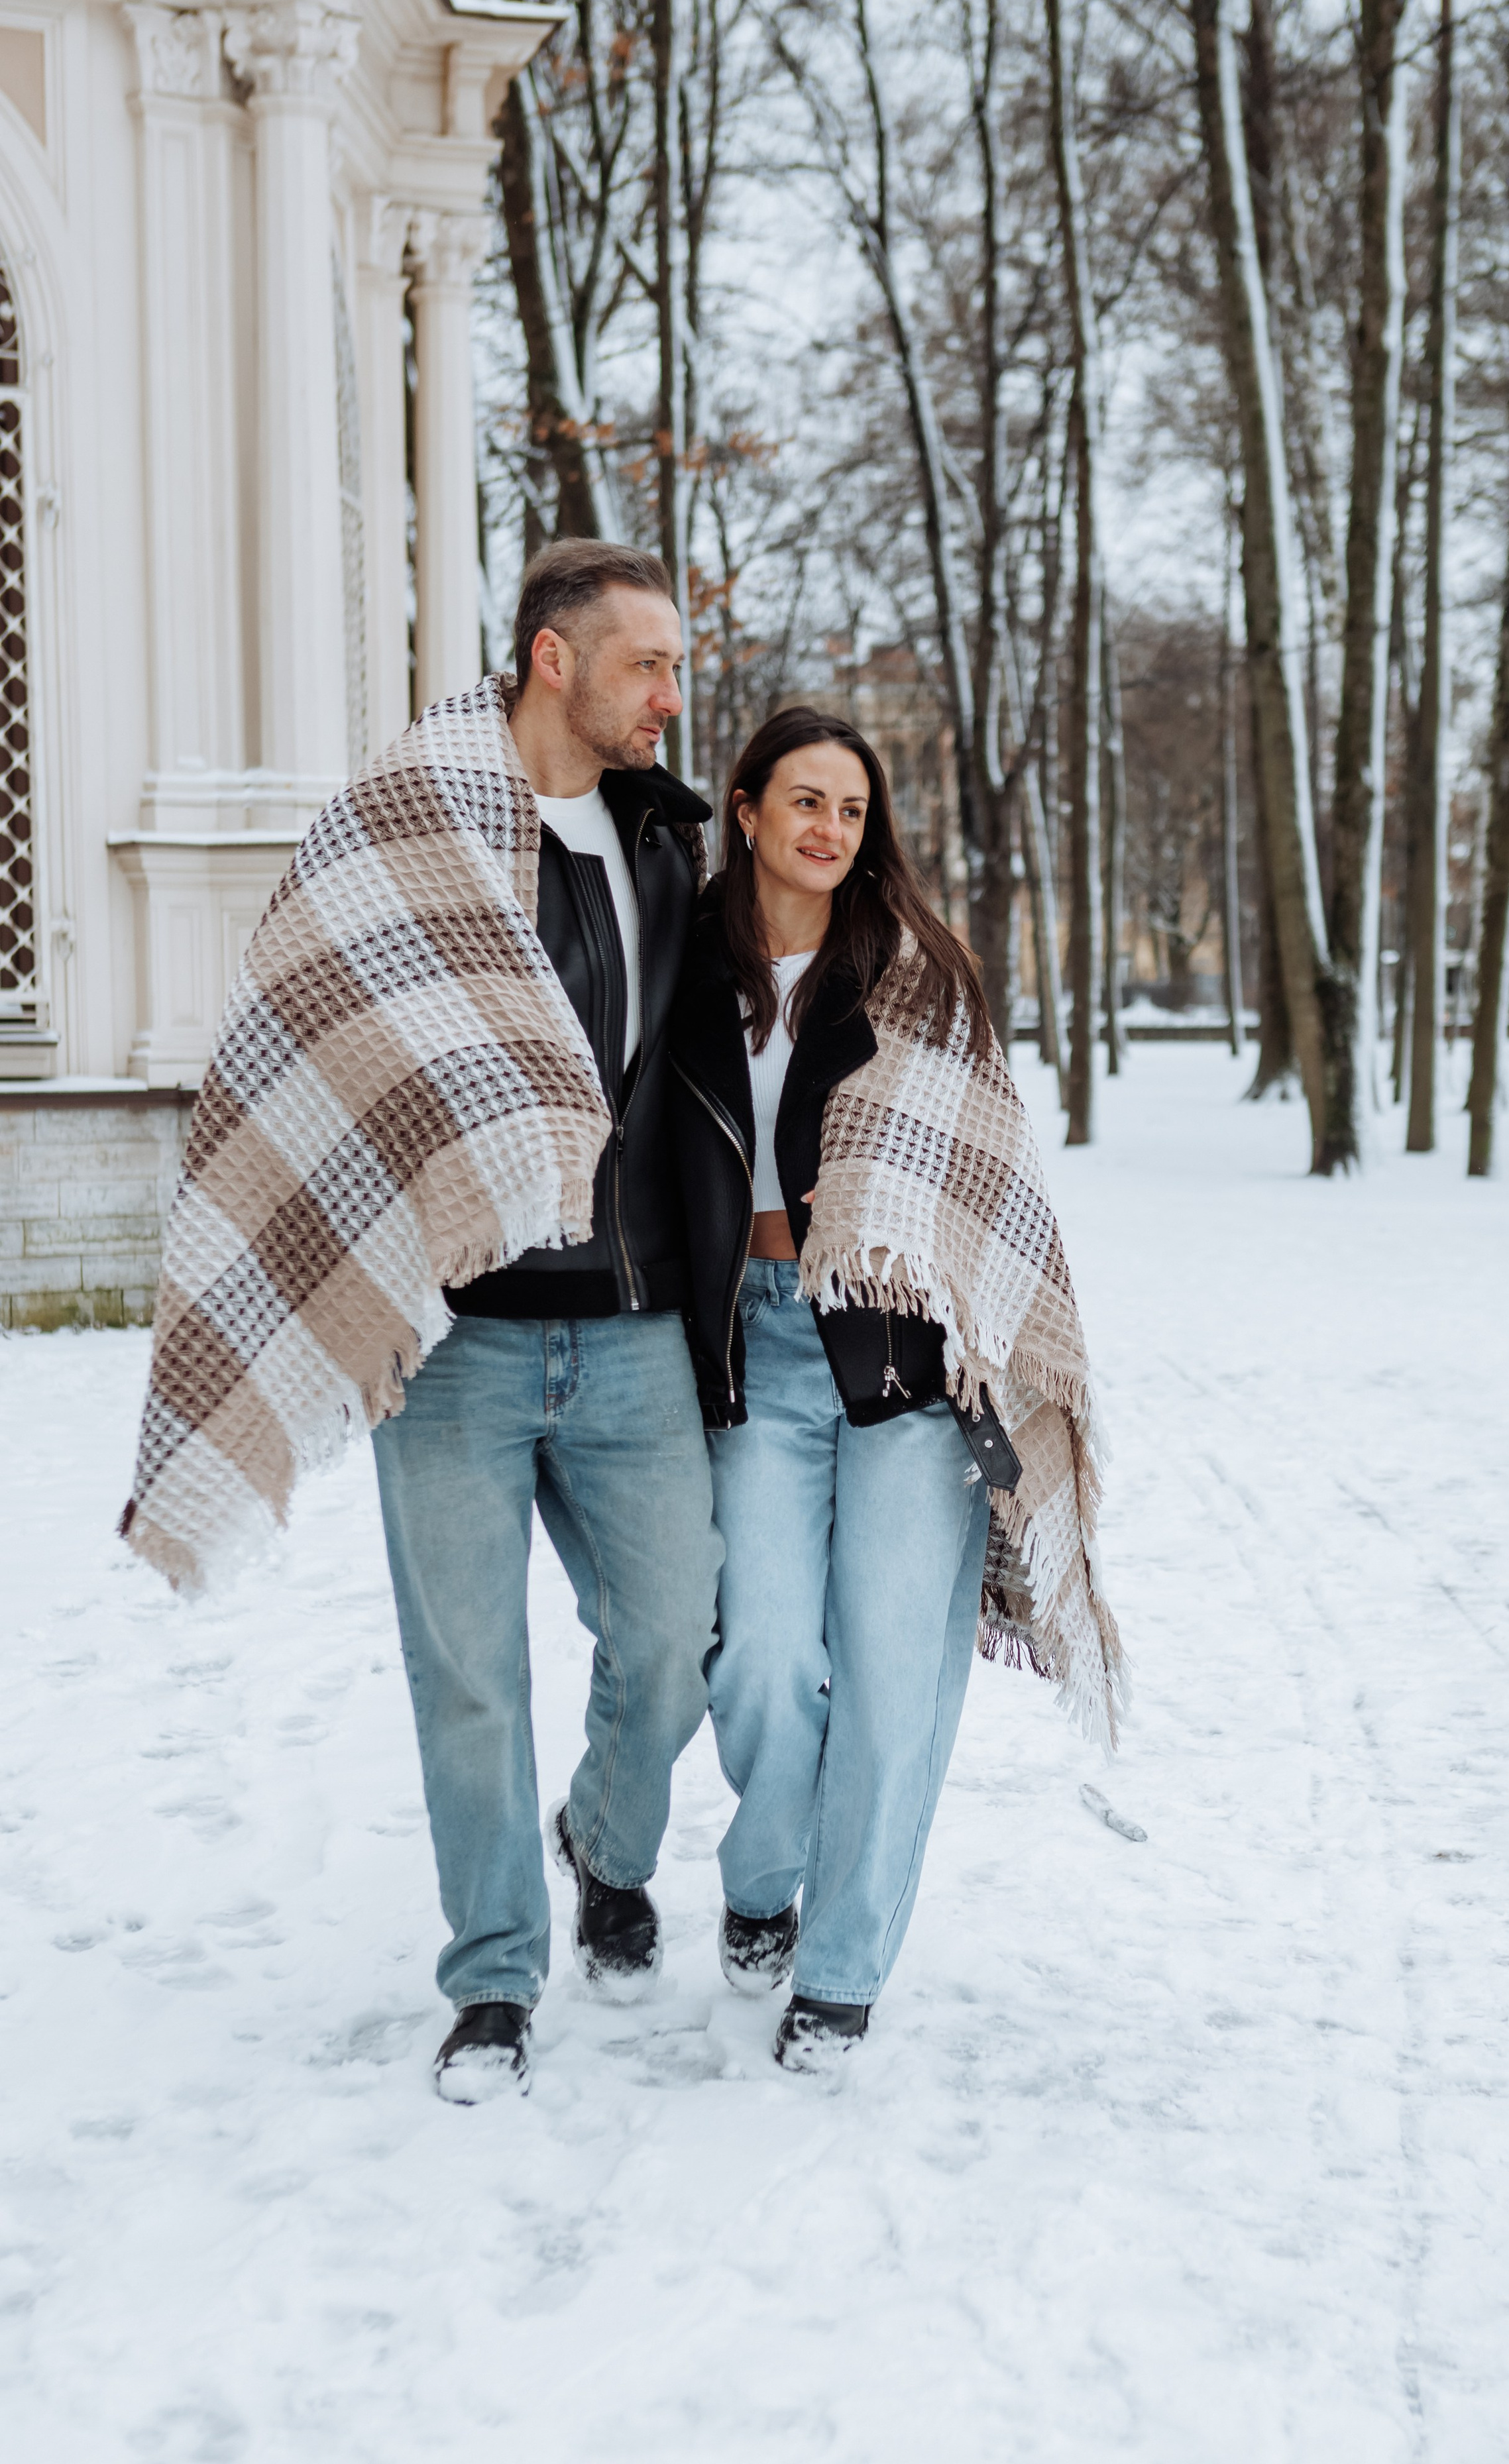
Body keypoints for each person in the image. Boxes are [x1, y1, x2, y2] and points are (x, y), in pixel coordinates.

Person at [369, 543, 721, 2102]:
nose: (669, 695)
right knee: (468, 1676)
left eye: (675, 666)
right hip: (452, 1337)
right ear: (549, 660)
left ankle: (604, 1837)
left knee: (674, 1636)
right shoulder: (417, 832)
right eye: (646, 663)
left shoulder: (663, 839)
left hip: (634, 1320)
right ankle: (495, 1981)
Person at [671, 707, 1033, 2070]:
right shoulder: (679, 961)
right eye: (804, 803)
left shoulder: (918, 973)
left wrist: (895, 1202)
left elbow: (987, 1173)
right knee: (762, 1661)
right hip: (752, 1346)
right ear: (748, 807)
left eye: (854, 811)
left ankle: (840, 1968)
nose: (830, 831)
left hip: (899, 1364)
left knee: (891, 1685)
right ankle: (763, 1875)